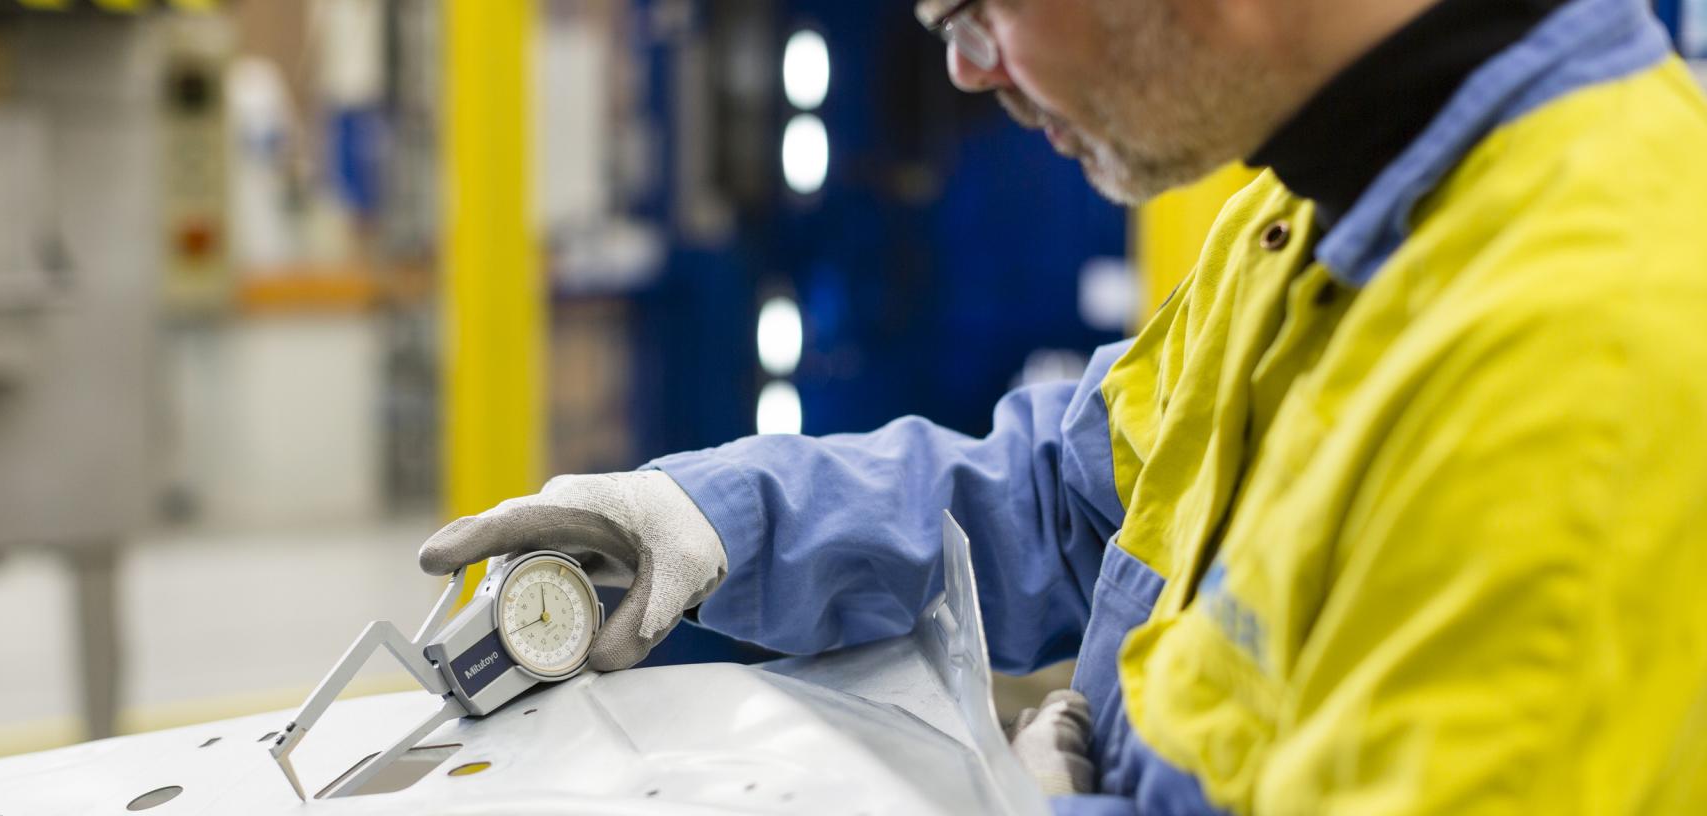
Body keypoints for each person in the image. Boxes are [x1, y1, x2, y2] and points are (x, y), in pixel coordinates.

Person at [419, 0, 1707, 810]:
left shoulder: (1575, 367)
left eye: (974, 10)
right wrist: (706, 521)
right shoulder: (1315, 203)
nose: (972, 73)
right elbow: (1077, 493)